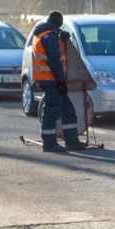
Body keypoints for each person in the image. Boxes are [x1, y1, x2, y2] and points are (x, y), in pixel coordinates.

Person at [29, 10, 86, 152]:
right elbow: (54, 60)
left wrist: (62, 38)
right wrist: (61, 82)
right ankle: (50, 144)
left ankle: (71, 141)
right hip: (52, 80)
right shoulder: (49, 36)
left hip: (48, 79)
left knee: (67, 110)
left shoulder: (44, 33)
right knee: (51, 111)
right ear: (58, 22)